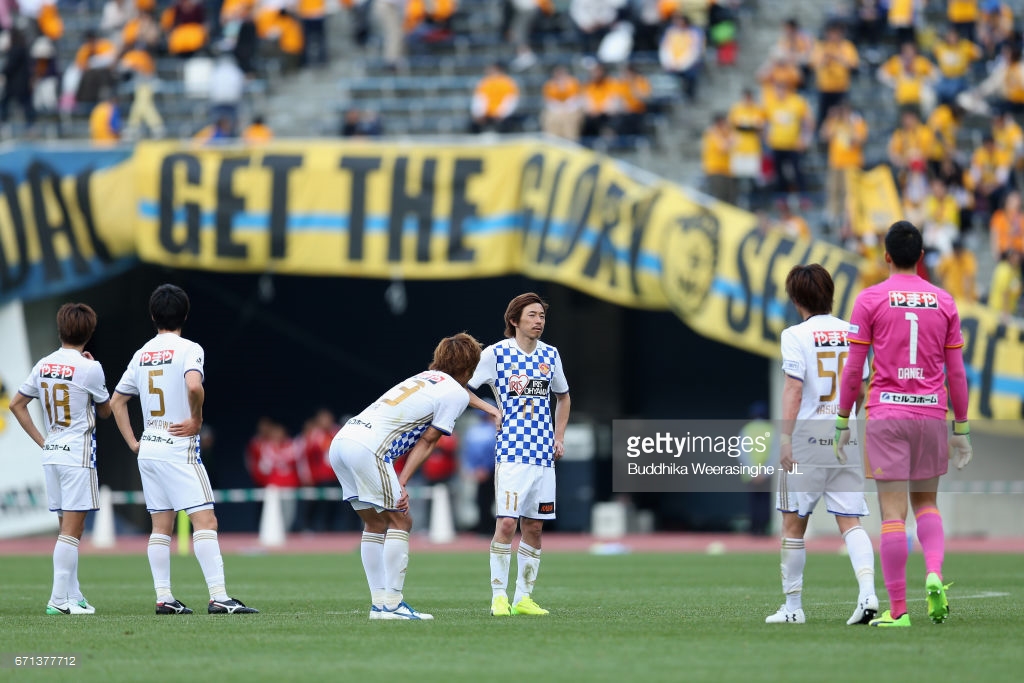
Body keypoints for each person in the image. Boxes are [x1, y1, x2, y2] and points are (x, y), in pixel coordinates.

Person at [836, 221, 972, 627]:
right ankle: (934, 573)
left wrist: (843, 419)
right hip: (931, 413)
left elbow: (853, 369)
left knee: (892, 516)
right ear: (923, 258)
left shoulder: (870, 300)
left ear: (886, 256)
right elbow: (957, 373)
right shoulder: (945, 301)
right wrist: (961, 429)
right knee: (927, 504)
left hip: (886, 413)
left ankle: (899, 612)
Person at [110, 284, 258, 615]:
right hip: (178, 447)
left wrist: (134, 441)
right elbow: (194, 384)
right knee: (205, 521)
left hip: (149, 446)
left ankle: (164, 598)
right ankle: (219, 596)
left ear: (152, 315)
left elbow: (116, 401)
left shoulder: (141, 354)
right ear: (186, 314)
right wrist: (197, 419)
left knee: (160, 527)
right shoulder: (190, 348)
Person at [329, 332, 483, 620]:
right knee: (402, 519)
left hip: (342, 440)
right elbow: (429, 440)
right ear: (469, 368)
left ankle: (379, 604)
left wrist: (490, 409)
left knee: (375, 523)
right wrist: (402, 481)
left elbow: (463, 394)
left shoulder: (426, 377)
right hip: (370, 449)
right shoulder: (455, 393)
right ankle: (392, 603)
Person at [767, 265, 877, 626]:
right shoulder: (853, 331)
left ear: (795, 298)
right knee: (851, 522)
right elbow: (861, 389)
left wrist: (785, 437)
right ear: (830, 294)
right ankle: (867, 595)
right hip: (843, 437)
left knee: (793, 525)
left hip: (805, 443)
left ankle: (793, 607)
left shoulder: (794, 335)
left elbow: (794, 388)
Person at [467, 292, 571, 617]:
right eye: (532, 315)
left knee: (535, 527)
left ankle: (523, 597)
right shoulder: (496, 355)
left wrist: (559, 436)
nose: (539, 321)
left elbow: (563, 397)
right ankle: (499, 596)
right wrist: (491, 409)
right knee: (508, 522)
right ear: (514, 320)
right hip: (512, 450)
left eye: (542, 315)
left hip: (543, 454)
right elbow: (462, 388)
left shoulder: (550, 356)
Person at [8, 304, 111, 615]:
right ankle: (57, 600)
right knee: (73, 530)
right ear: (89, 333)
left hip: (52, 454)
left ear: (60, 329)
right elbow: (105, 411)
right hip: (77, 456)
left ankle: (73, 594)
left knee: (67, 529)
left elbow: (16, 405)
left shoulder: (44, 364)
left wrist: (43, 441)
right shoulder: (91, 368)